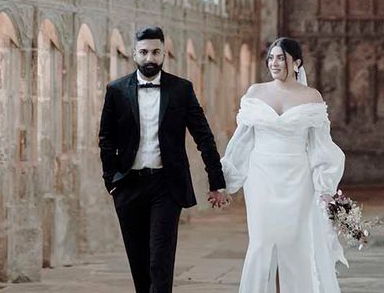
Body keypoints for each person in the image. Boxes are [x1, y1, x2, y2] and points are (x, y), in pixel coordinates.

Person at [98, 25, 229, 292]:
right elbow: (106, 139)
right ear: (134, 53)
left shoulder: (181, 89)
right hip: (128, 185)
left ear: (164, 53)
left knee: (160, 261)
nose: (150, 58)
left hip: (166, 186)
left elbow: (203, 137)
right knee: (139, 263)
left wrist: (217, 181)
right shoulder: (116, 90)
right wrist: (111, 180)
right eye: (144, 52)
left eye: (155, 52)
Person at [221, 37, 347, 293]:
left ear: (297, 62)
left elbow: (320, 145)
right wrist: (223, 182)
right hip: (261, 176)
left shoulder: (311, 96)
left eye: (281, 58)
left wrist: (325, 187)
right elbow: (242, 141)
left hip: (297, 177)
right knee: (261, 241)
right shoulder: (255, 92)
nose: (274, 63)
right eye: (271, 58)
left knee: (295, 242)